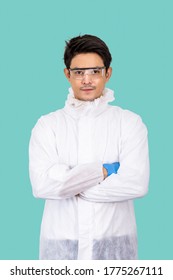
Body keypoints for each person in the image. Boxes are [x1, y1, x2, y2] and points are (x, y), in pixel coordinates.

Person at [29, 34, 150, 260]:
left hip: (115, 243)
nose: (87, 80)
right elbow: (42, 186)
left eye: (95, 71)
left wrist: (69, 184)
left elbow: (136, 184)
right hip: (61, 244)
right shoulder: (47, 126)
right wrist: (104, 171)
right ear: (67, 74)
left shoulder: (129, 123)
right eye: (79, 72)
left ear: (108, 73)